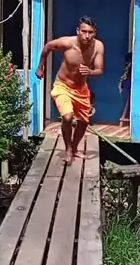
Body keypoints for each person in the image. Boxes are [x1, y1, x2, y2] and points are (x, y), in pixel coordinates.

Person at [36, 16, 104, 164]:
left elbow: (99, 70)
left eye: (90, 32)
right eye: (84, 31)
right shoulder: (67, 43)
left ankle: (74, 148)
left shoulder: (98, 47)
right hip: (63, 86)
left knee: (84, 122)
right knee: (67, 117)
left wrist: (90, 72)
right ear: (78, 31)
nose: (87, 36)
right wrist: (40, 67)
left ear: (95, 32)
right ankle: (68, 149)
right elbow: (48, 46)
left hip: (81, 89)